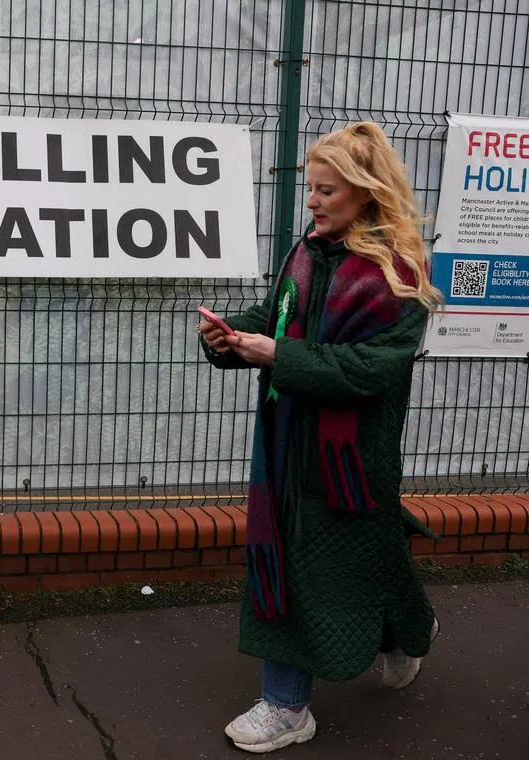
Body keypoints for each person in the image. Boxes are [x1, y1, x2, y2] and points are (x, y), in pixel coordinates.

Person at [198, 121, 443, 753]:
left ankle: (290, 703)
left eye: (326, 191)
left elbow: (374, 369)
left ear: (365, 192)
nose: (312, 201)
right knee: (308, 560)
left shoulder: (398, 272)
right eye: (311, 189)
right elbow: (275, 315)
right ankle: (293, 699)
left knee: (342, 559)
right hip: (288, 447)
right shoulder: (306, 251)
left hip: (353, 458)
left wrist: (279, 353)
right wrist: (229, 338)